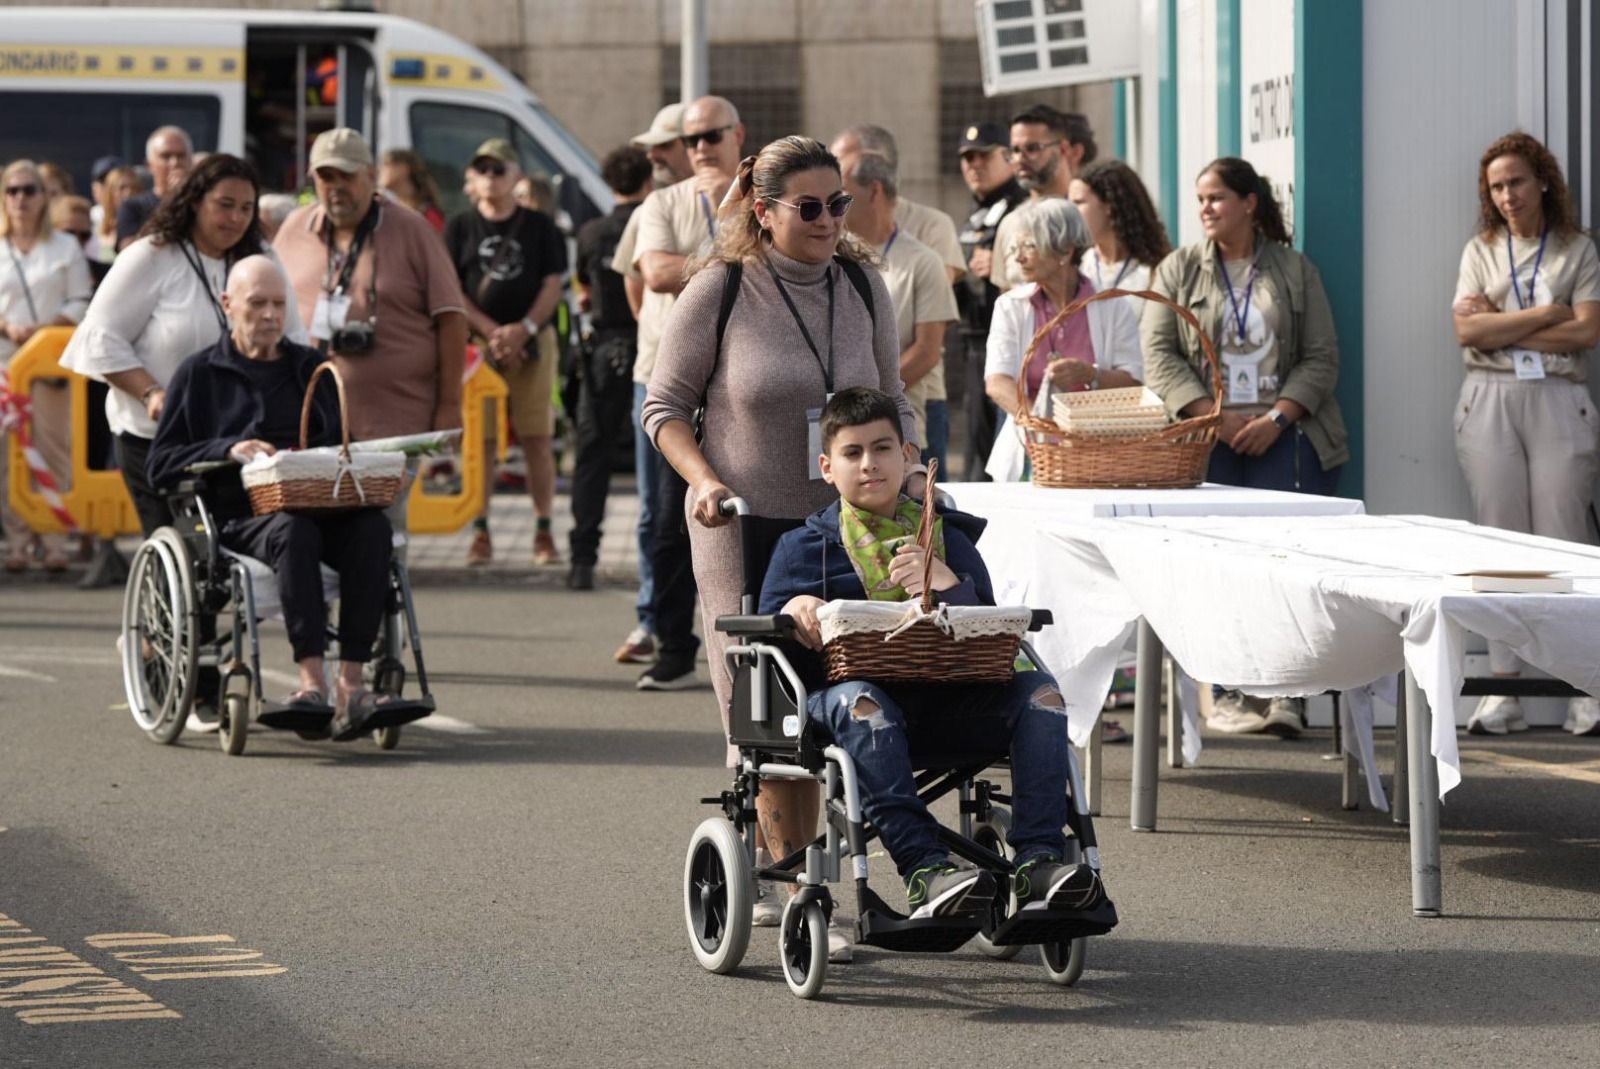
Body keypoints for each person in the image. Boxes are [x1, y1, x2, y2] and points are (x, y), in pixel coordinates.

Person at [642, 135, 922, 960]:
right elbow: (664, 406)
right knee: (768, 709)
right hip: (744, 519)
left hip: (848, 523)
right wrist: (699, 478)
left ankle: (849, 862)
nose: (830, 220)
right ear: (760, 213)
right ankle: (791, 873)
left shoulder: (864, 286)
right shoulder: (720, 288)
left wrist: (911, 471)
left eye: (838, 203)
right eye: (809, 207)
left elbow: (897, 399)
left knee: (851, 688)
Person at [759, 387, 1098, 919]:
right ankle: (926, 871)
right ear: (827, 467)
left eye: (883, 448)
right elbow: (766, 639)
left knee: (1043, 695)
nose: (870, 464)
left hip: (952, 703)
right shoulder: (803, 547)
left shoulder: (950, 538)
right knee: (863, 701)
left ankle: (1037, 863)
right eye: (852, 453)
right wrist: (795, 606)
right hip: (846, 708)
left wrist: (943, 581)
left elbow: (994, 628)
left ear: (908, 456)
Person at [146, 256, 394, 739]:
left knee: (373, 528)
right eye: (257, 303)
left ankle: (352, 683)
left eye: (279, 304)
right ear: (227, 304)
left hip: (321, 503)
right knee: (292, 530)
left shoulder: (312, 368)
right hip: (242, 516)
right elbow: (160, 463)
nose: (269, 315)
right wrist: (227, 448)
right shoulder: (199, 374)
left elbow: (346, 441)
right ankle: (311, 682)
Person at [1142, 156, 1347, 738]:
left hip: (1288, 433)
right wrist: (1215, 416)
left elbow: (1322, 356)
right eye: (1201, 199)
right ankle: (1231, 690)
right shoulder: (1178, 269)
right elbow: (1159, 354)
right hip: (1209, 438)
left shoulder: (1293, 269)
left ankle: (1289, 696)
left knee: (1285, 567)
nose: (1205, 209)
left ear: (1250, 203)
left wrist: (1278, 418)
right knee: (1221, 569)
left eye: (1217, 198)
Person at [63, 153, 299, 538]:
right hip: (158, 438)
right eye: (225, 206)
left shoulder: (260, 258)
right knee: (184, 549)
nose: (236, 218)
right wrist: (152, 394)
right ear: (194, 202)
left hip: (240, 437)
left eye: (246, 208)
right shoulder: (151, 255)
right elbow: (99, 337)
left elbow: (292, 338)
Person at [1451, 131, 1600, 737]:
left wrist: (1498, 323)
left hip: (1560, 399)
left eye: (1516, 181)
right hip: (1490, 400)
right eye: (1496, 186)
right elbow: (1466, 335)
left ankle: (1585, 687)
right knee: (1500, 544)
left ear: (1542, 181)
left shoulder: (1578, 250)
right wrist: (1545, 314)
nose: (1507, 195)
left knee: (1567, 539)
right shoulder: (1480, 250)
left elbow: (1586, 333)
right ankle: (1503, 689)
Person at [274, 128, 467, 552]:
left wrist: (449, 406)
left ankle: (377, 617)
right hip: (314, 423)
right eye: (325, 177)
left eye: (346, 175)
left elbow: (452, 319)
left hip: (394, 423)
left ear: (371, 175)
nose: (335, 187)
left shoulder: (411, 230)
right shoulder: (294, 229)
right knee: (312, 540)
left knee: (378, 540)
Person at [627, 95, 747, 690]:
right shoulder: (662, 202)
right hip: (666, 377)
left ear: (737, 134)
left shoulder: (758, 194)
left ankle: (753, 638)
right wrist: (729, 259)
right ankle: (674, 644)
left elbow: (777, 262)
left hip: (740, 381)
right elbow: (651, 275)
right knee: (664, 519)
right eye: (691, 138)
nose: (701, 147)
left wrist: (696, 263)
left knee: (749, 508)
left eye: (711, 135)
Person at [445, 137, 568, 567]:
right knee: (480, 442)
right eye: (484, 170)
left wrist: (524, 329)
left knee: (536, 437)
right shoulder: (459, 228)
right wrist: (493, 331)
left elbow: (552, 284)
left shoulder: (540, 227)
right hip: (480, 346)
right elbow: (453, 289)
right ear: (471, 180)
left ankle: (543, 530)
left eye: (500, 170)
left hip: (533, 343)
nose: (492, 178)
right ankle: (479, 532)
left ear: (517, 177)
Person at [608, 103, 692, 666]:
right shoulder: (653, 208)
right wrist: (658, 334)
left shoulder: (734, 202)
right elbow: (639, 281)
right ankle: (652, 619)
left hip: (720, 383)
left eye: (666, 145)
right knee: (654, 512)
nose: (654, 156)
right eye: (652, 148)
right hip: (655, 378)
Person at [831, 124, 965, 467]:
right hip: (842, 426)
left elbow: (926, 351)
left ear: (874, 192)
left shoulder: (922, 260)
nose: (833, 209)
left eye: (843, 198)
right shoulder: (832, 258)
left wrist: (868, 400)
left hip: (910, 420)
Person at [984, 197, 1144, 465]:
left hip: (1100, 455)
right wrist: (1041, 427)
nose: (1019, 257)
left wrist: (1091, 375)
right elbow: (997, 382)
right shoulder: (1010, 305)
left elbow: (1133, 382)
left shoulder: (1113, 306)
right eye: (1017, 247)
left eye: (1030, 247)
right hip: (1029, 453)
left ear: (1065, 251)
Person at [0, 160, 93, 573]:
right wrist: (7, 325)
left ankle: (56, 539)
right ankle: (18, 542)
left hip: (49, 364)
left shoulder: (65, 247)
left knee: (54, 449)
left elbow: (80, 302)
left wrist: (42, 329)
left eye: (29, 190)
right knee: (7, 456)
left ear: (43, 197)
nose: (20, 199)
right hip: (4, 363)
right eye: (12, 190)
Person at [566, 145, 651, 590]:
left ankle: (582, 557)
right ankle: (657, 561)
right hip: (648, 345)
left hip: (602, 348)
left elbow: (584, 280)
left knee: (592, 454)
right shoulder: (653, 223)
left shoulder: (592, 232)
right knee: (656, 458)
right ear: (647, 180)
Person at [954, 122, 1028, 479]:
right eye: (967, 158)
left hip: (1004, 344)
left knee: (1000, 456)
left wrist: (997, 265)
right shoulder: (978, 211)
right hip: (973, 342)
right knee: (977, 453)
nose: (973, 165)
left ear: (1008, 158)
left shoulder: (1021, 208)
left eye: (983, 155)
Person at [992, 106, 1097, 293]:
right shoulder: (1010, 223)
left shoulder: (1089, 213)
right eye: (1015, 150)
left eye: (1032, 148)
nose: (1020, 158)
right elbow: (1006, 295)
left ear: (1064, 149)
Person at [1068, 159, 1171, 318]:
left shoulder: (1154, 271)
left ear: (1109, 204)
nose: (1070, 212)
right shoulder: (1077, 266)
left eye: (1079, 202)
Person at [116, 126, 195, 251]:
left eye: (181, 156)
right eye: (166, 156)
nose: (175, 163)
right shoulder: (133, 207)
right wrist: (173, 199)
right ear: (149, 165)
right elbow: (129, 250)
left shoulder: (202, 205)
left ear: (191, 162)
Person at [379, 148, 446, 233]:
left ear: (403, 169)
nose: (380, 169)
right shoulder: (384, 211)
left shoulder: (429, 215)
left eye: (386, 164)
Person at [89, 165, 140, 272]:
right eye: (122, 188)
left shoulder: (146, 227)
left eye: (134, 187)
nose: (128, 193)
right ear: (110, 192)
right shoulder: (91, 225)